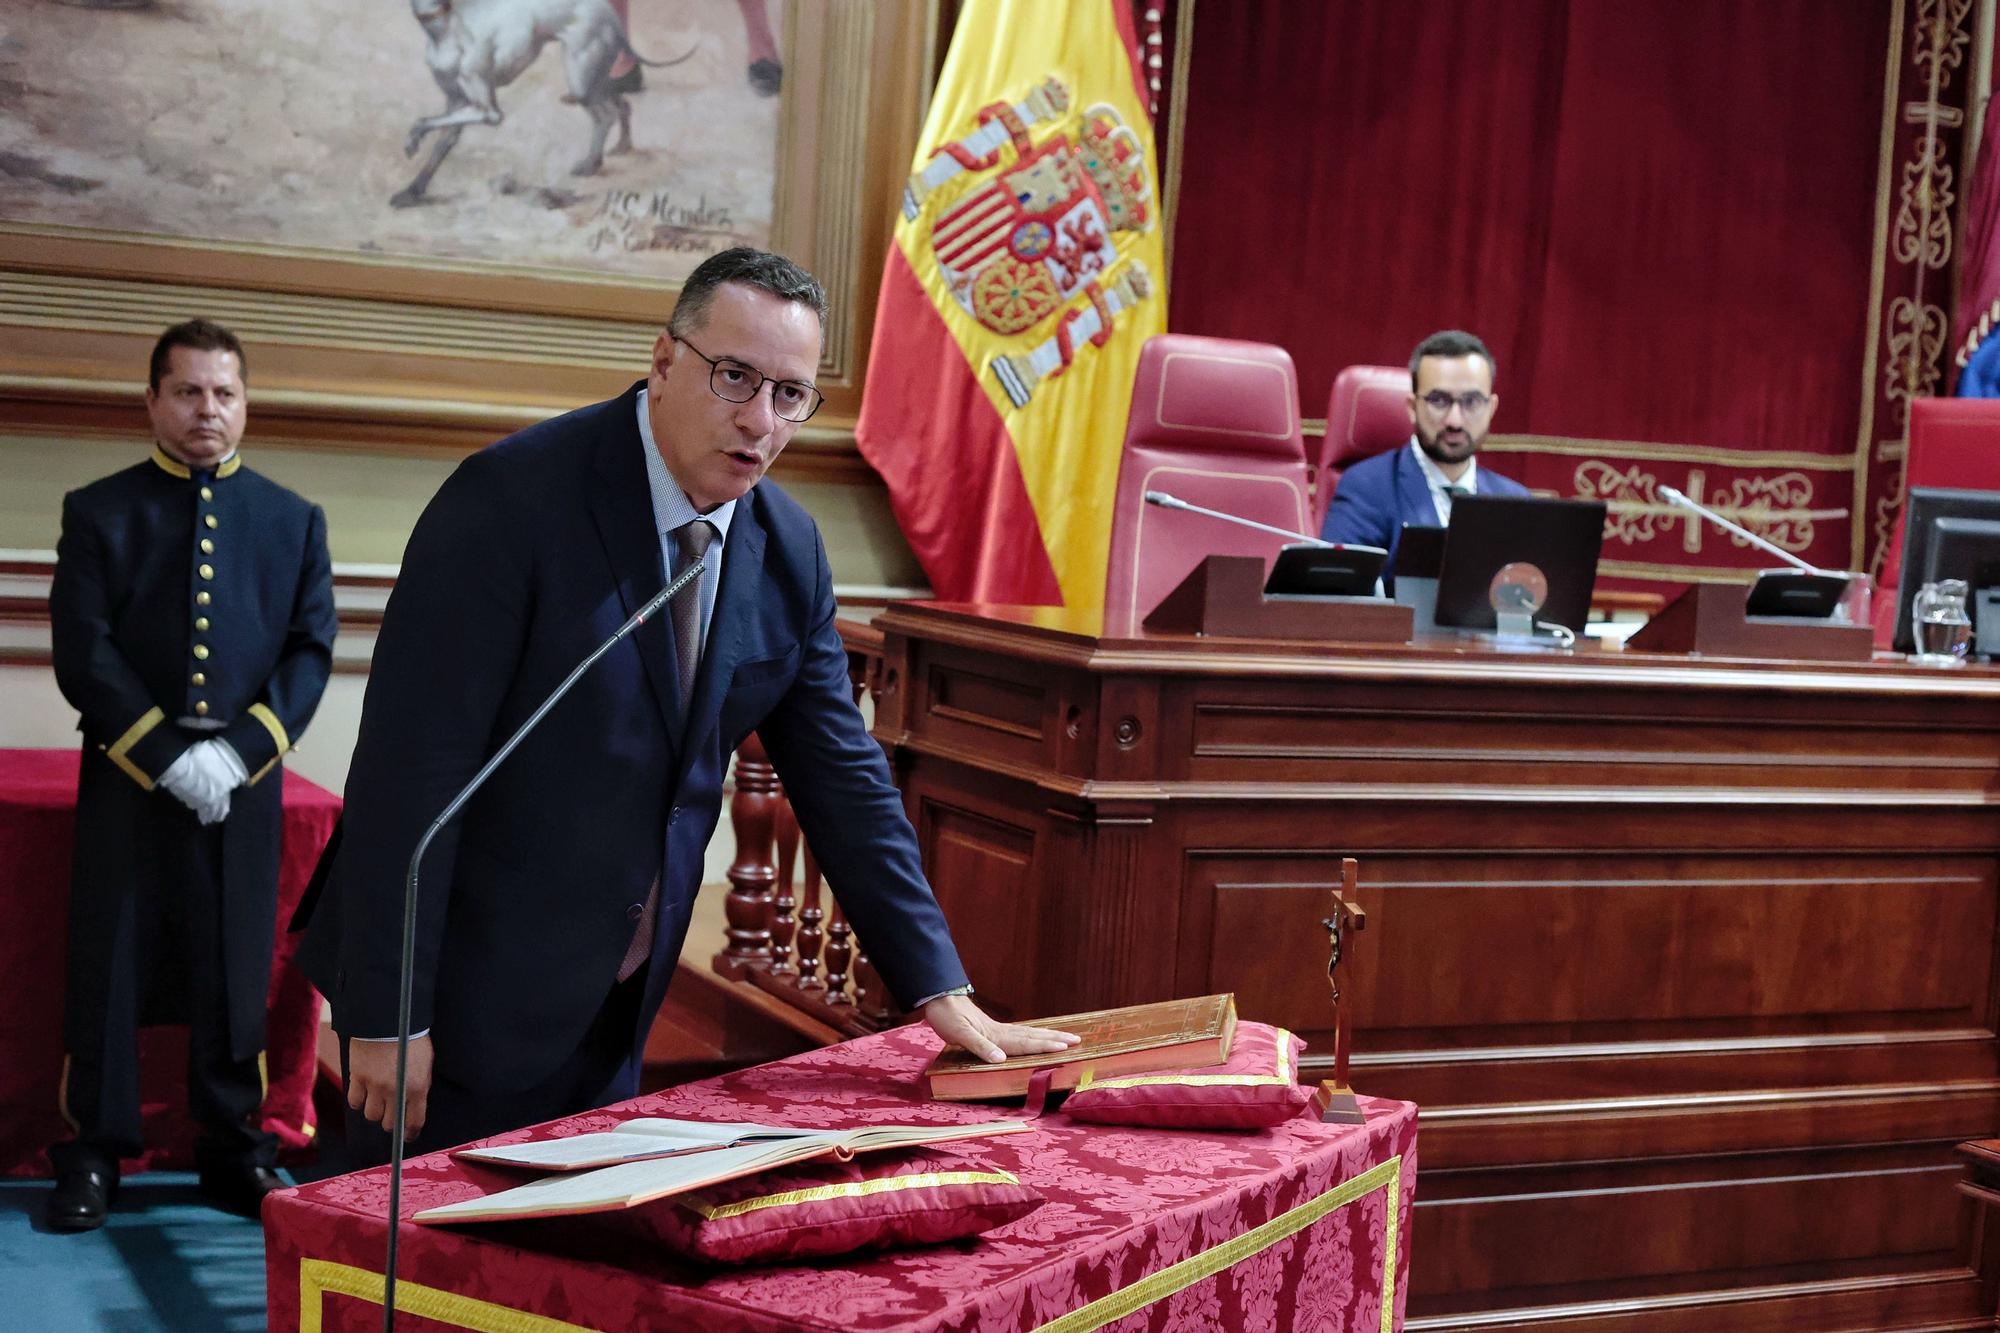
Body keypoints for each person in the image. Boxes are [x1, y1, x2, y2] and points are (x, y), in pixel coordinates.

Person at [294, 247, 1076, 1162]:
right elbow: (410, 770)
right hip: (459, 984)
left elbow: (845, 782)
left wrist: (941, 989)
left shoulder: (787, 549)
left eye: (790, 394)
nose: (760, 420)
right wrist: (392, 1011)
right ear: (664, 361)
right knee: (406, 1282)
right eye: (734, 377)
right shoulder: (510, 503)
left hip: (617, 994)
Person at [45, 319, 337, 1229]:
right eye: (187, 390)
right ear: (153, 401)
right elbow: (82, 654)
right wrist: (167, 755)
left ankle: (231, 1148)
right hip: (128, 783)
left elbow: (308, 651)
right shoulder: (99, 511)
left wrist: (239, 753)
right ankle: (94, 1151)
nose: (206, 408)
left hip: (240, 789)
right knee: (112, 964)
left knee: (234, 965)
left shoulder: (293, 520)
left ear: (244, 402)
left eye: (224, 392)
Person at [1320, 329, 1530, 585]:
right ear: (1412, 407)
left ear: (1491, 408)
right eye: (1438, 401)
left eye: (1471, 402)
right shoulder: (1367, 488)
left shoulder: (1516, 501)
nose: (1455, 420)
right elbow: (1335, 595)